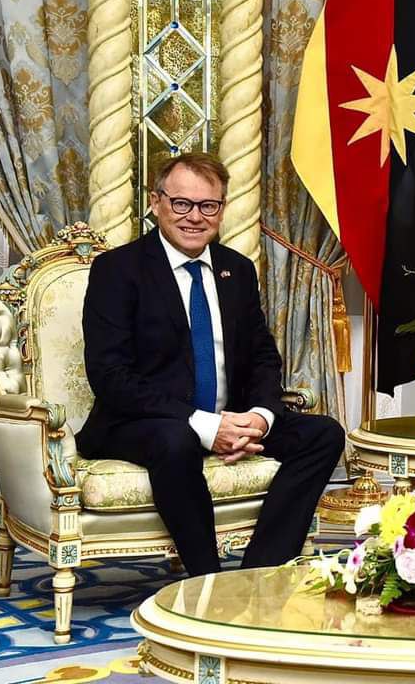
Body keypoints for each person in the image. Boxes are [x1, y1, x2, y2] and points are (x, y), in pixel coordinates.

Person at [77, 153, 346, 576]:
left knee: (324, 434)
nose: (194, 217)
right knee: (176, 440)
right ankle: (206, 578)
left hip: (228, 417)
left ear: (222, 209)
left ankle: (260, 572)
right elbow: (110, 376)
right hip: (140, 422)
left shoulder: (236, 269)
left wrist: (259, 417)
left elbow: (262, 355)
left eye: (208, 205)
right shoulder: (118, 269)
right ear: (156, 202)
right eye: (182, 203)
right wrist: (205, 425)